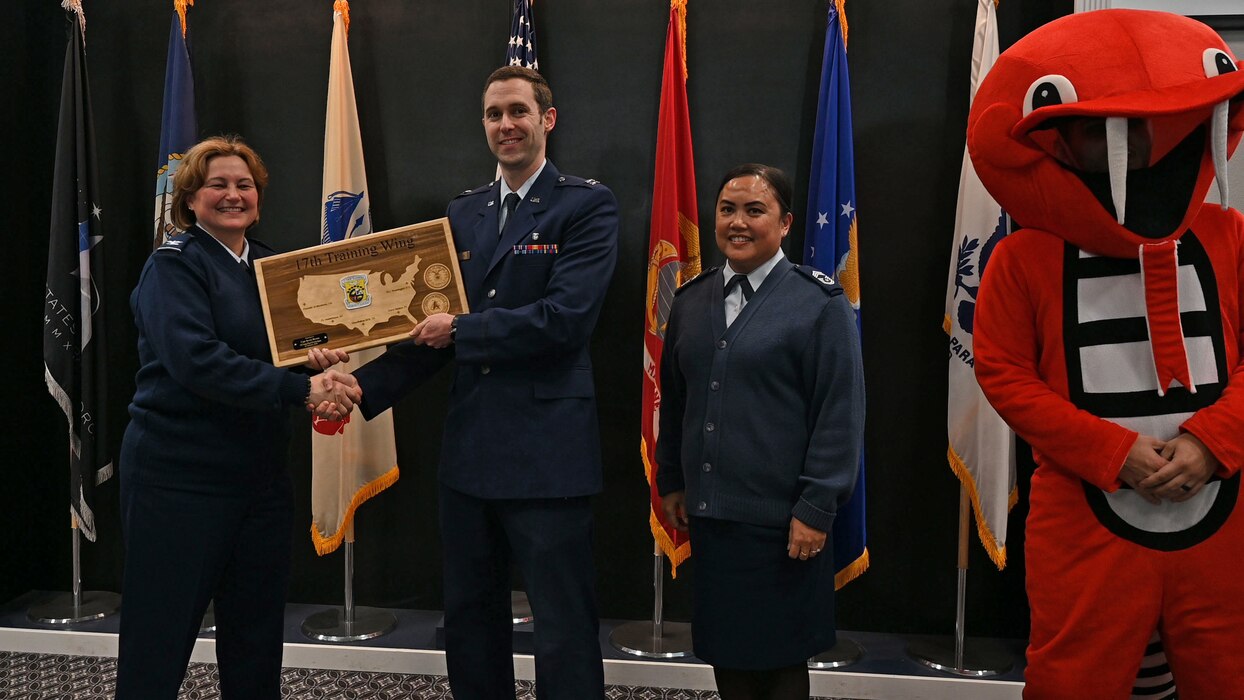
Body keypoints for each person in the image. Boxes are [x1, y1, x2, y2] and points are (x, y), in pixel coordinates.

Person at [967, 10, 1244, 698]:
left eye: (1135, 126)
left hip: (1224, 514)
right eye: (1096, 129)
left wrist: (1215, 439)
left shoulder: (1226, 234)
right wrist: (1108, 451)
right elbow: (1003, 374)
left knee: (1226, 668)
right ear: (1060, 140)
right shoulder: (1022, 256)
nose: (1120, 142)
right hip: (1082, 516)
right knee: (1077, 675)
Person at [342, 66, 618, 699]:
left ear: (547, 120)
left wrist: (463, 333)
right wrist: (362, 386)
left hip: (549, 452)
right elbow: (427, 335)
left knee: (562, 624)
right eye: (494, 115)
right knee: (469, 620)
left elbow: (565, 321)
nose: (506, 126)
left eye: (518, 112)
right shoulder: (462, 213)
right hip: (470, 454)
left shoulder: (585, 205)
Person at [116, 135, 360, 699]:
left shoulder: (272, 268)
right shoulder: (172, 267)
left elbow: (292, 346)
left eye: (244, 184)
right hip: (178, 481)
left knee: (255, 641)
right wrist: (300, 389)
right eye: (218, 184)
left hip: (260, 482)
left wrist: (316, 359)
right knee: (159, 640)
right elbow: (196, 362)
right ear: (190, 198)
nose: (233, 195)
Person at [656, 164, 864, 700]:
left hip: (784, 527)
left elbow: (838, 414)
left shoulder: (818, 303)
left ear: (786, 222)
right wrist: (672, 479)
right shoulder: (692, 299)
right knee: (729, 660)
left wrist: (816, 507)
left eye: (755, 210)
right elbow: (675, 399)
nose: (738, 222)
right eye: (728, 210)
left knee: (780, 666)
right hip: (713, 520)